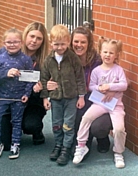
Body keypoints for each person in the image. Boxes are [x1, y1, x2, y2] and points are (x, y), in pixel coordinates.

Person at [47, 26, 113, 158]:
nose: (79, 45)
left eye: (83, 42)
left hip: (97, 101)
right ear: (71, 42)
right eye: (76, 41)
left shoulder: (98, 60)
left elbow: (122, 77)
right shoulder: (64, 58)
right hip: (75, 101)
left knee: (98, 127)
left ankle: (102, 138)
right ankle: (78, 142)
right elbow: (50, 75)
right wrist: (49, 83)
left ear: (89, 44)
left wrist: (112, 88)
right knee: (74, 144)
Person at [0, 22, 49, 150]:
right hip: (9, 99)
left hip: (31, 102)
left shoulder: (45, 60)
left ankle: (36, 131)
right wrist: (5, 73)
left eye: (39, 38)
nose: (34, 41)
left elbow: (50, 86)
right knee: (5, 144)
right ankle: (13, 129)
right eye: (32, 36)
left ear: (43, 41)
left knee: (30, 124)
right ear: (25, 37)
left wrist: (40, 89)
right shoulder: (7, 51)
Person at [73, 37, 128, 168]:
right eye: (105, 52)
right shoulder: (96, 70)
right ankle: (81, 146)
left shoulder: (118, 70)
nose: (107, 55)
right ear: (100, 52)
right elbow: (91, 86)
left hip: (115, 105)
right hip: (100, 103)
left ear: (116, 55)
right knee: (86, 118)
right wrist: (99, 88)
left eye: (111, 53)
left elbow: (124, 85)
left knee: (119, 129)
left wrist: (110, 87)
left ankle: (118, 153)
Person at [40, 24, 86, 165]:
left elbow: (80, 78)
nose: (59, 47)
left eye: (63, 44)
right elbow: (44, 79)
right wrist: (45, 97)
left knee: (68, 124)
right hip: (55, 98)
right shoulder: (48, 60)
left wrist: (81, 96)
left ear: (68, 42)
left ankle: (66, 148)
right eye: (56, 44)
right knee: (56, 123)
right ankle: (58, 145)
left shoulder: (72, 58)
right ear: (51, 42)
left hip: (71, 98)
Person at [0, 28, 34, 159]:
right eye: (9, 42)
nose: (12, 44)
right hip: (2, 97)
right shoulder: (0, 59)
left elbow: (30, 80)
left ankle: (16, 144)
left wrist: (27, 94)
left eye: (15, 42)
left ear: (21, 43)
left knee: (16, 121)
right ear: (3, 43)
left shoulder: (26, 59)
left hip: (18, 98)